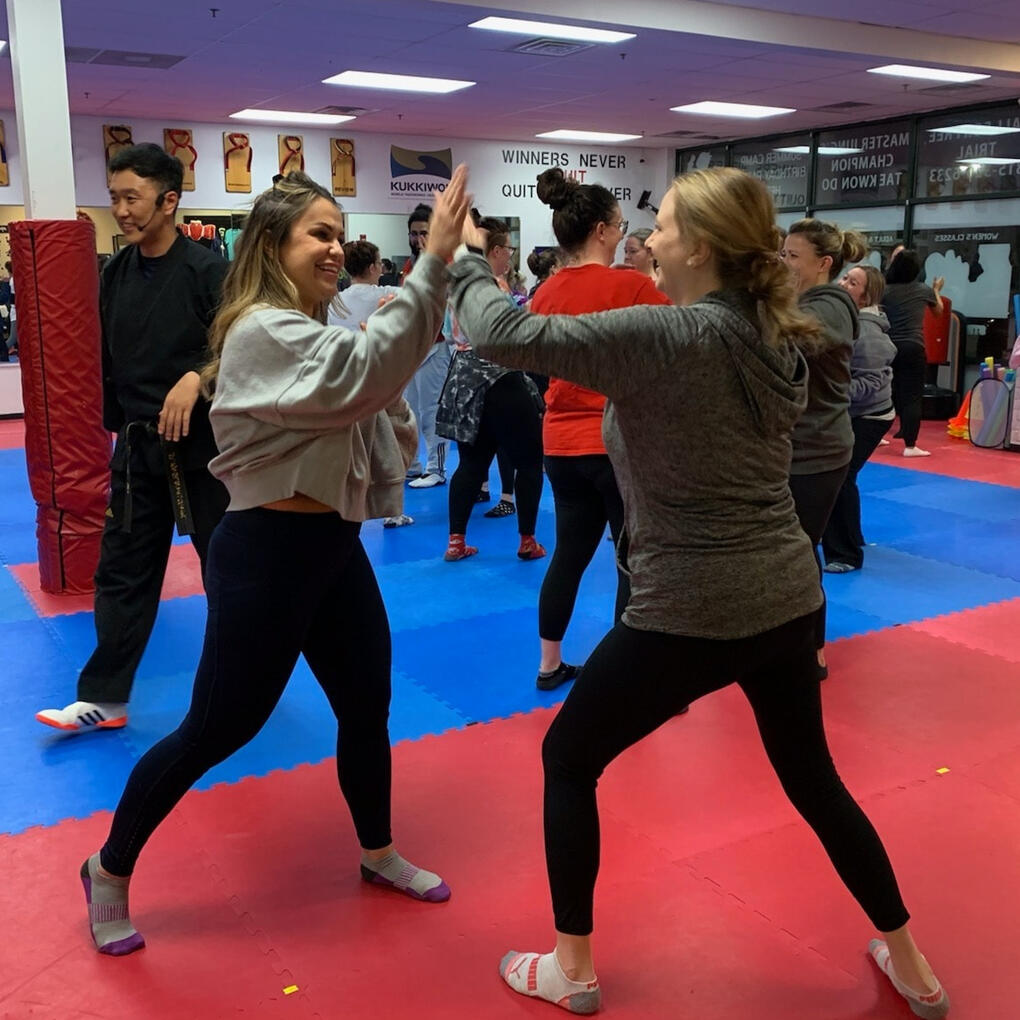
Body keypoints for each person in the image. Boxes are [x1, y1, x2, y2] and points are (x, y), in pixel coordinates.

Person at [447, 167, 948, 1020]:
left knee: (567, 758)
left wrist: (458, 257)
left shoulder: (667, 333)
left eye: (666, 226)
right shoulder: (772, 324)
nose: (648, 239)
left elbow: (500, 329)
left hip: (691, 608)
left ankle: (572, 969)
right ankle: (915, 968)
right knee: (814, 779)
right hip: (789, 598)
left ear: (705, 248)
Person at [79, 166, 470, 957]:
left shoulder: (319, 330)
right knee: (218, 727)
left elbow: (375, 404)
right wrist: (432, 266)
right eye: (317, 234)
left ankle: (376, 850)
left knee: (367, 705)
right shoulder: (261, 329)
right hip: (265, 555)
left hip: (334, 548)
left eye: (337, 233)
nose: (335, 247)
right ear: (272, 245)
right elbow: (362, 380)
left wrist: (385, 380)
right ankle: (107, 867)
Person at [36, 143, 230, 734]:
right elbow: (113, 359)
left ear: (170, 201)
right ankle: (106, 698)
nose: (119, 210)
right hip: (139, 447)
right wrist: (116, 425)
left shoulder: (208, 273)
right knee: (121, 569)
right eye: (115, 198)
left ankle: (237, 686)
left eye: (132, 198)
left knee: (223, 569)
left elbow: (241, 351)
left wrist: (198, 378)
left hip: (204, 449)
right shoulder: (115, 272)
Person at [529, 167, 669, 691]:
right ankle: (628, 679)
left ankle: (548, 665)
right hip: (616, 443)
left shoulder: (544, 293)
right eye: (620, 223)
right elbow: (681, 341)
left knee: (569, 554)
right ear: (604, 231)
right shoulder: (631, 285)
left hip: (560, 445)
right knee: (631, 560)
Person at [781, 218, 863, 680]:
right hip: (792, 446)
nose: (784, 263)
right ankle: (787, 642)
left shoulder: (829, 303)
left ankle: (813, 651)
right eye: (783, 254)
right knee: (787, 554)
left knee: (797, 553)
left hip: (818, 450)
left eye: (793, 256)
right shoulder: (802, 300)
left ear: (824, 263)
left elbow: (797, 339)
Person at [437, 217, 545, 562]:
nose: (508, 257)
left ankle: (456, 542)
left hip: (464, 377)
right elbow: (507, 331)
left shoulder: (453, 288)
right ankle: (527, 540)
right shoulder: (493, 287)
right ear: (491, 253)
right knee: (529, 461)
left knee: (471, 463)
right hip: (499, 375)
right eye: (505, 251)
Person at [822, 265, 897, 572]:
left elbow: (869, 384)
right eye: (844, 277)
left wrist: (825, 390)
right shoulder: (843, 319)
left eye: (852, 283)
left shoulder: (867, 331)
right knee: (835, 476)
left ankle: (846, 554)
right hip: (849, 411)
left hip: (871, 416)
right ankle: (850, 539)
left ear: (865, 297)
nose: (843, 283)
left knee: (840, 476)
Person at [401, 203, 453, 490]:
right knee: (410, 411)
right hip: (413, 349)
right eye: (413, 233)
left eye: (424, 232)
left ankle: (437, 468)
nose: (418, 238)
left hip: (436, 348)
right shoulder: (409, 265)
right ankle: (413, 465)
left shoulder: (444, 264)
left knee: (432, 411)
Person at [883, 249, 944, 458]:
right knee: (912, 396)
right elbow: (939, 311)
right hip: (912, 346)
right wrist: (936, 290)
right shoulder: (922, 290)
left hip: (887, 346)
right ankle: (910, 445)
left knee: (883, 392)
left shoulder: (884, 290)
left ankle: (877, 434)